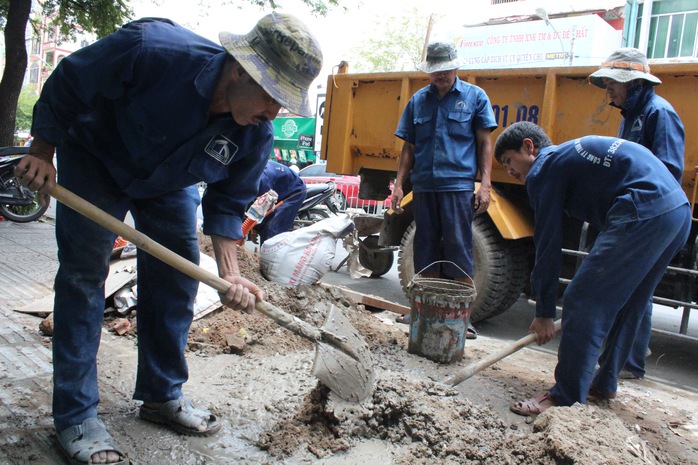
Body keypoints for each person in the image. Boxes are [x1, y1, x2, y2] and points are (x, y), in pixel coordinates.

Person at [15, 14, 321, 464]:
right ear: (239, 68)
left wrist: (232, 277)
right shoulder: (151, 50)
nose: (273, 112)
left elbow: (226, 205)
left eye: (283, 103)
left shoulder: (254, 133)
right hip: (96, 157)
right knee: (84, 277)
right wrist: (42, 150)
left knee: (179, 274)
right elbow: (70, 81)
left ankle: (161, 396)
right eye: (271, 96)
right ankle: (76, 416)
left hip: (169, 181)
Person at [494, 122, 690, 416]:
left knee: (582, 299)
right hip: (677, 211)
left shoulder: (544, 168)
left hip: (643, 207)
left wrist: (544, 311)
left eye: (509, 160)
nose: (509, 171)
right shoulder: (569, 159)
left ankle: (565, 396)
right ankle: (605, 382)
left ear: (529, 147)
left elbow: (548, 243)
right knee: (631, 301)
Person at [588, 48, 685, 380]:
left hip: (649, 216)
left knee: (636, 287)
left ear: (633, 83)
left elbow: (667, 173)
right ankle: (625, 357)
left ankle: (629, 361)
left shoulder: (660, 114)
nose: (608, 91)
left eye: (612, 83)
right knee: (630, 286)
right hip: (630, 213)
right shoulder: (630, 114)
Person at [391, 41, 497, 338]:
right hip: (424, 186)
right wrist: (399, 184)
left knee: (458, 248)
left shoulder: (475, 97)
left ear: (456, 66)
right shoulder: (417, 101)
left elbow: (484, 143)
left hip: (458, 186)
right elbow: (409, 147)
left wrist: (485, 184)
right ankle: (423, 311)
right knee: (424, 246)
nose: (441, 76)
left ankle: (462, 317)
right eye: (435, 71)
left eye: (445, 70)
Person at [253, 160, 307, 243]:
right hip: (280, 191)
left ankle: (271, 254)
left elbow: (263, 207)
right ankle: (265, 253)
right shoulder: (253, 170)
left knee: (272, 228)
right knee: (264, 226)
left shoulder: (262, 179)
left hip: (295, 192)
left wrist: (253, 227)